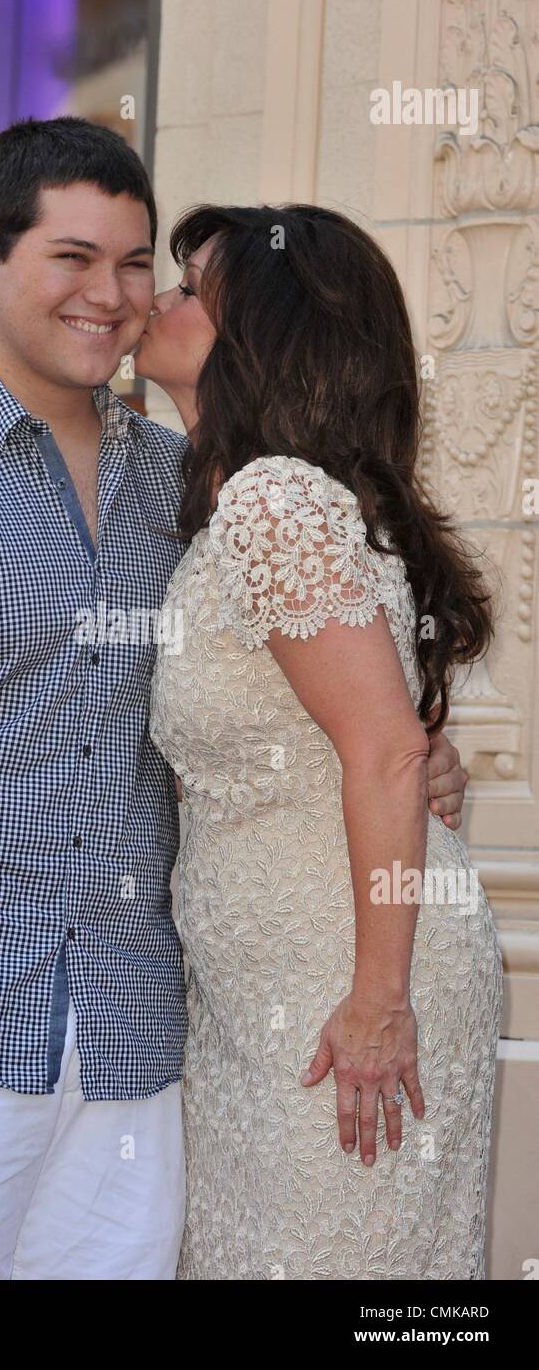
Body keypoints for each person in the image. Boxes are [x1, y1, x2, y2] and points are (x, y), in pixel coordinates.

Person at [0, 118, 469, 1280]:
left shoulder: (180, 484)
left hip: (138, 1043)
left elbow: (267, 706)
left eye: (137, 263)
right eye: (71, 258)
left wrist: (406, 757)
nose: (115, 293)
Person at [135, 201, 504, 1279]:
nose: (153, 299)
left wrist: (379, 1001)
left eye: (187, 286)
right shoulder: (230, 501)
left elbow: (385, 751)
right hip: (256, 1002)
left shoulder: (274, 502)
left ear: (259, 328)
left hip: (349, 994)